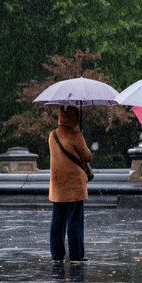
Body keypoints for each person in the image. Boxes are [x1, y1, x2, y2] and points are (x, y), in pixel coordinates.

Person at [48, 105, 92, 263]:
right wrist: (82, 139)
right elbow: (87, 156)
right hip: (74, 185)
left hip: (58, 184)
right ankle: (76, 254)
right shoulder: (76, 136)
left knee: (57, 221)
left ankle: (57, 253)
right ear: (74, 118)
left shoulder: (52, 135)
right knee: (75, 221)